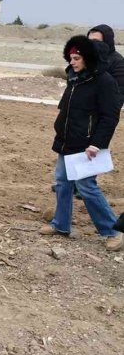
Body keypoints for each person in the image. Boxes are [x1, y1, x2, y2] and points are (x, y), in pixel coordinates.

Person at [39, 36, 122, 251]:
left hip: (87, 147)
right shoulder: (75, 79)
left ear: (88, 59)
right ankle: (61, 224)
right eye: (70, 58)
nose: (72, 62)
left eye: (76, 58)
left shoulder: (104, 82)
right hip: (67, 142)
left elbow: (110, 116)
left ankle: (114, 230)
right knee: (62, 183)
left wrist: (97, 143)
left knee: (86, 187)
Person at [87, 24, 124, 105]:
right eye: (89, 41)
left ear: (107, 42)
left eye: (96, 41)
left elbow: (118, 96)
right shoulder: (86, 59)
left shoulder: (118, 62)